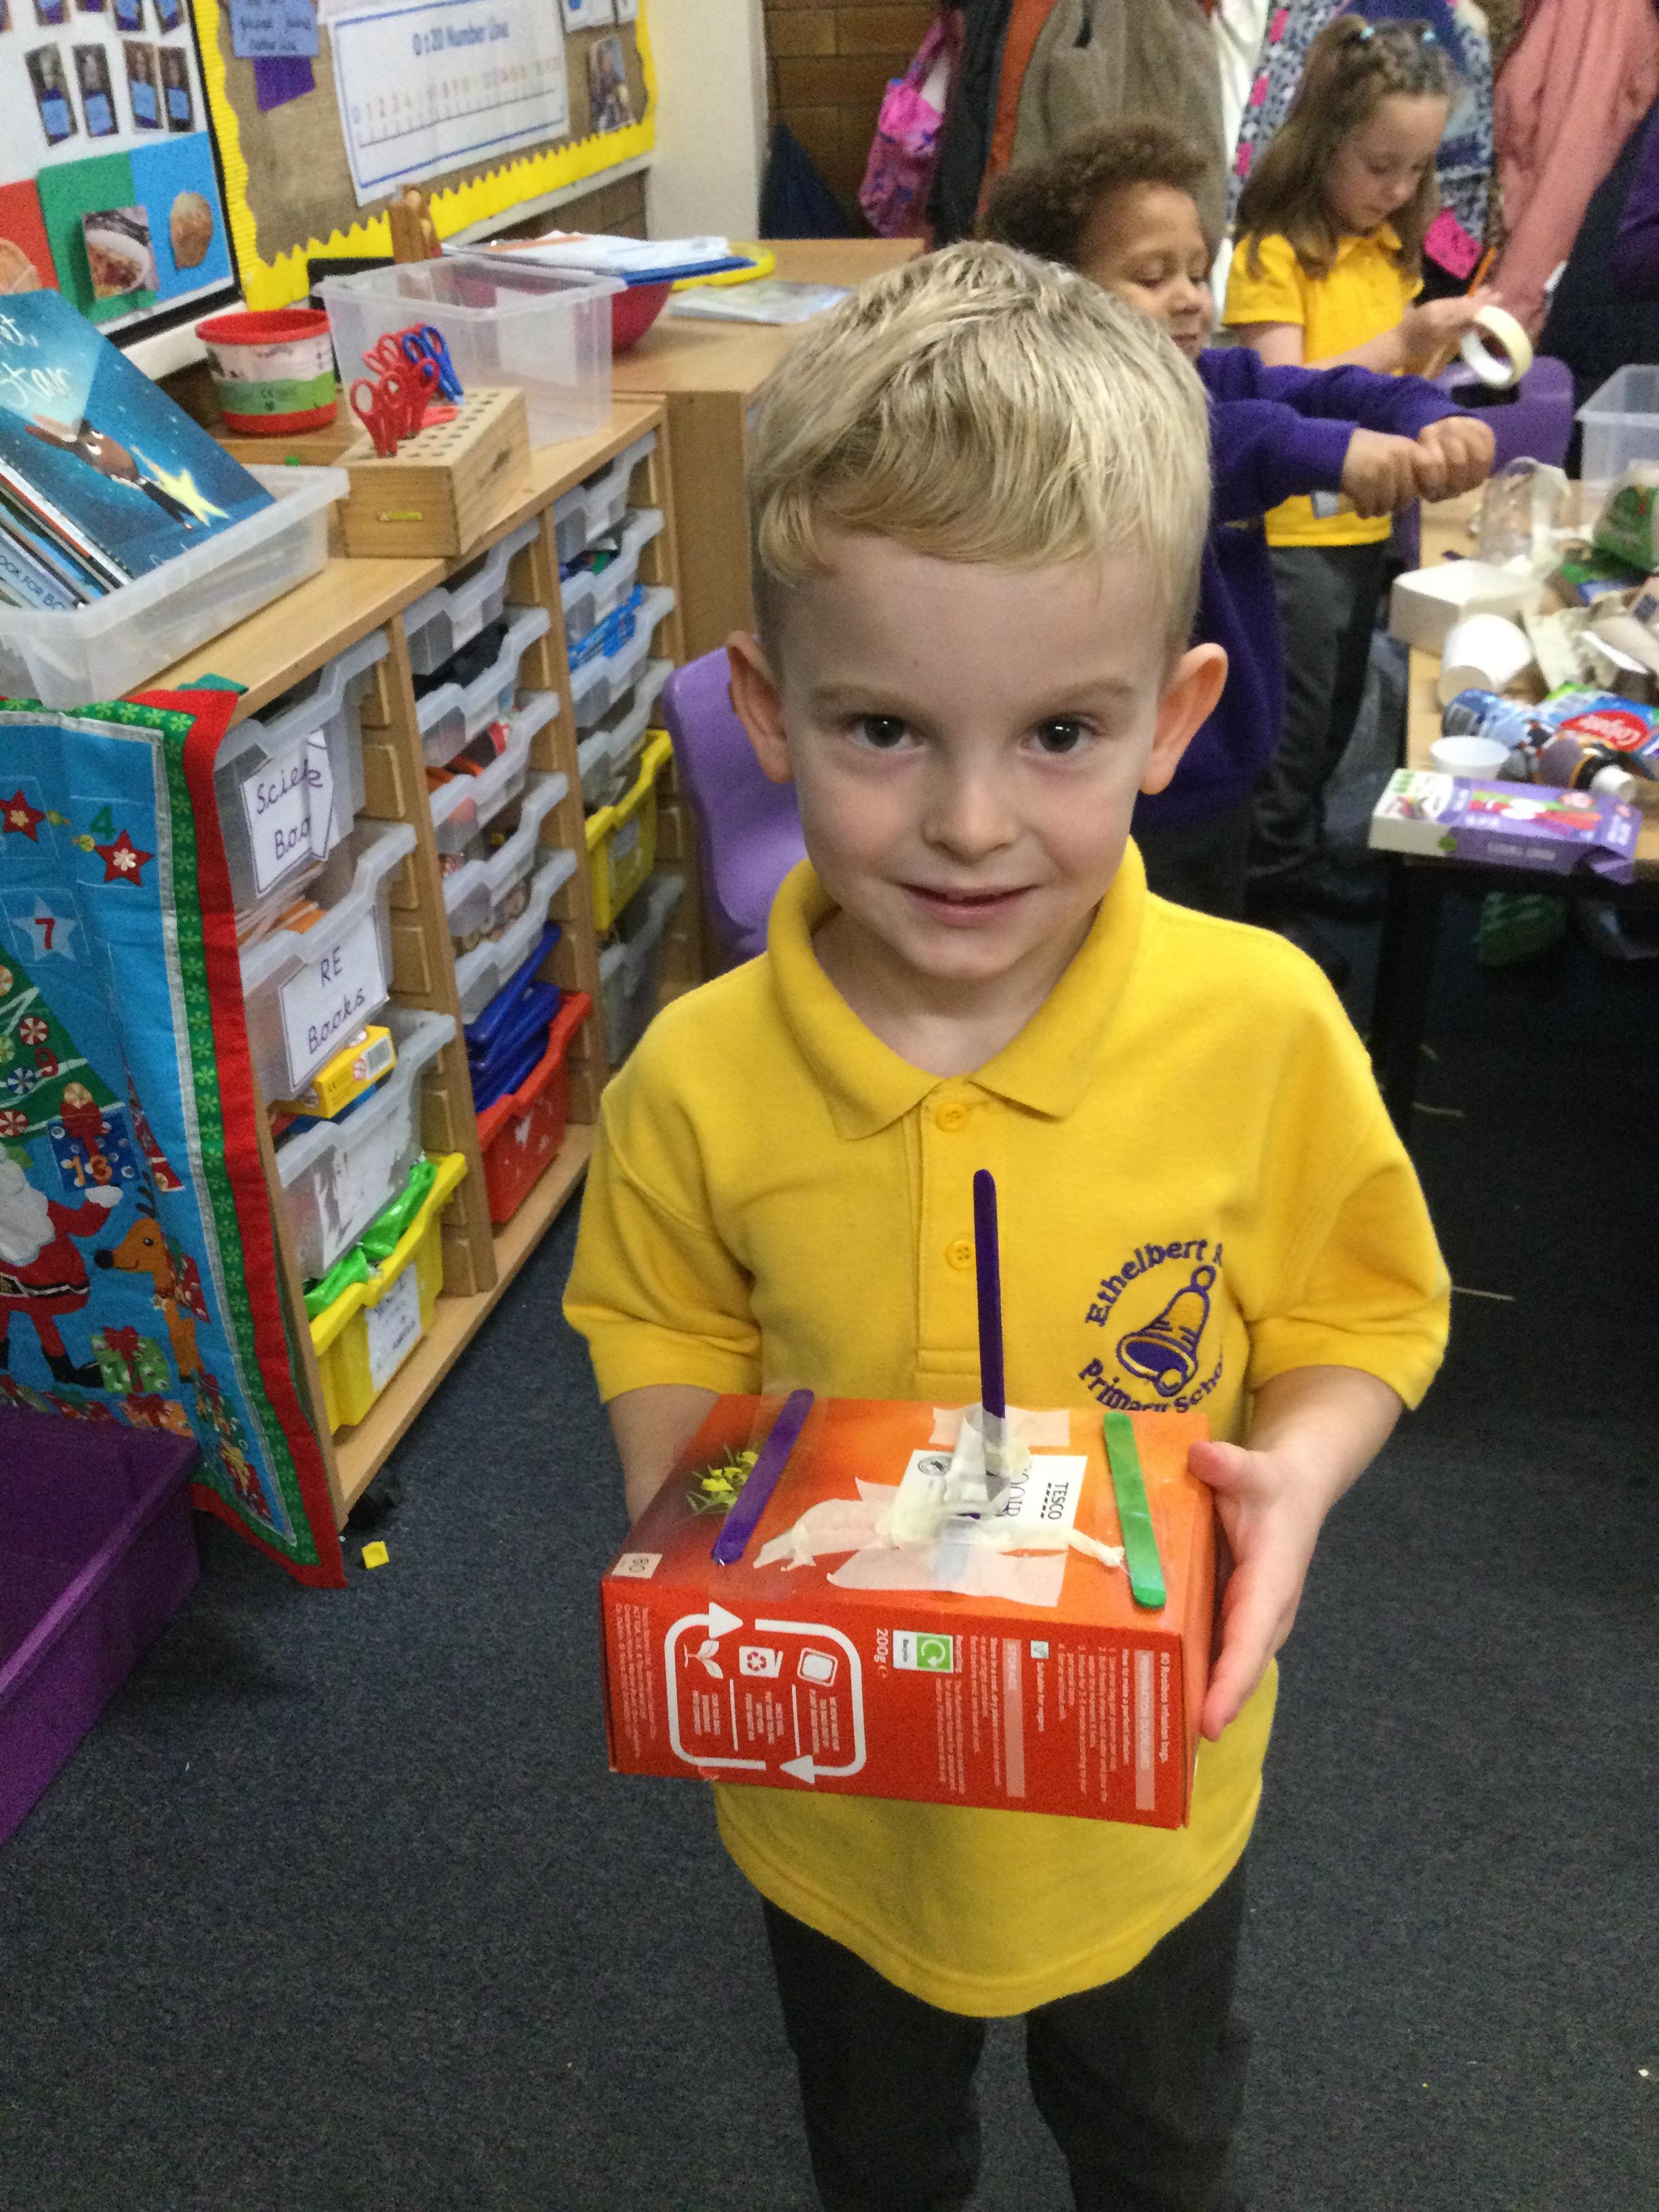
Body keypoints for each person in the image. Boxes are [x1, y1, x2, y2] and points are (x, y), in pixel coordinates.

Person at [565, 243, 1450, 2212]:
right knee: (878, 2146)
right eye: (885, 730)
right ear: (768, 709)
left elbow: (1363, 1310)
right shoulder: (698, 1073)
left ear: (1173, 714)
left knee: (1157, 2137)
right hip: (839, 1799)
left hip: (1149, 1797)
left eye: (1059, 734)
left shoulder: (1259, 1028)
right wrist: (692, 1513)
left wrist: (1297, 1475)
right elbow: (657, 1311)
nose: (970, 823)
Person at [981, 117, 1492, 942]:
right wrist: (1325, 451)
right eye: (1152, 277)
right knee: (1144, 961)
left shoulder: (1208, 374)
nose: (1190, 297)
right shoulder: (1062, 428)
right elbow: (1214, 443)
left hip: (1218, 768)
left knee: (1211, 934)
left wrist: (1427, 413)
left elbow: (1325, 390)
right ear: (1059, 297)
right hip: (1133, 792)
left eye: (1197, 271)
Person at [1223, 15, 1499, 932]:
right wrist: (1405, 338)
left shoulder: (1388, 250)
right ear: (1324, 144)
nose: (1400, 189)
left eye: (1418, 169)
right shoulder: (1275, 252)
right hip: (1293, 530)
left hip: (1362, 521)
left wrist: (1438, 353)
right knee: (1289, 722)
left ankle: (1296, 853)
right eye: (1381, 165)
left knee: (1338, 711)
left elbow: (1388, 386)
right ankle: (1266, 893)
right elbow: (1288, 391)